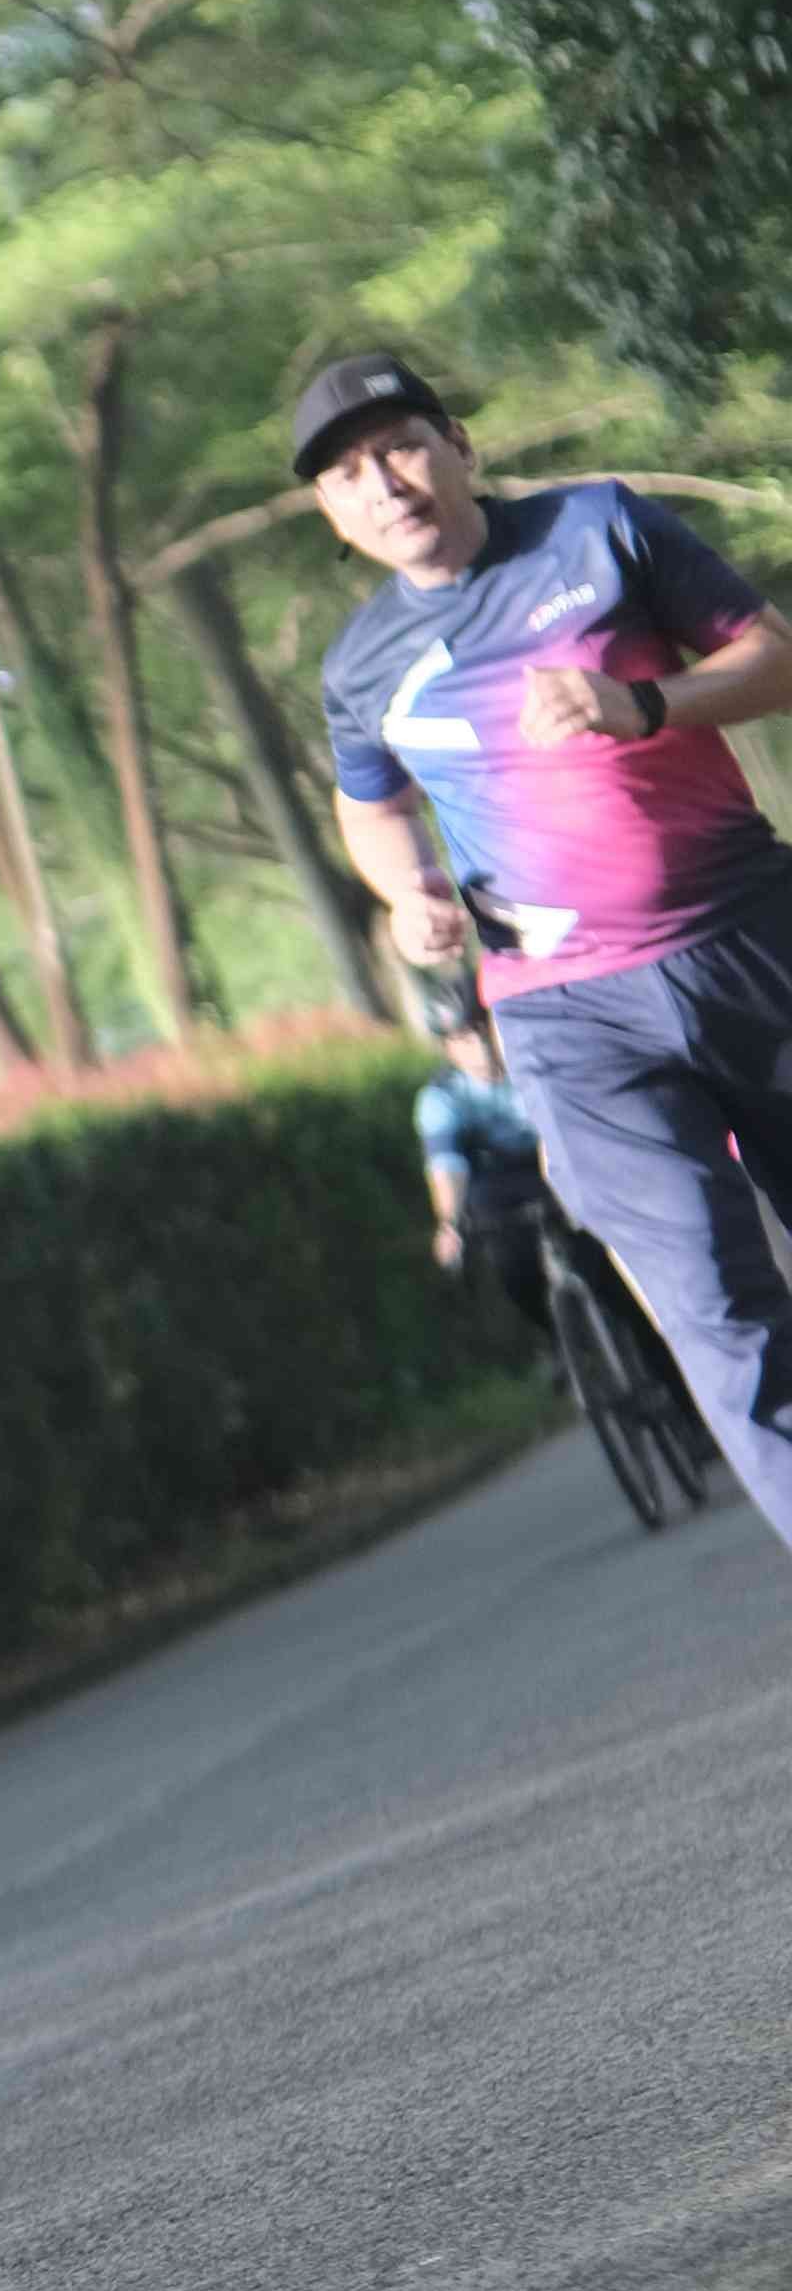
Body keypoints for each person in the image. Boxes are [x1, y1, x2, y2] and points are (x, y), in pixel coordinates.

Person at [298, 345, 792, 1555]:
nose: (383, 484)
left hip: (748, 938)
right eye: (346, 474)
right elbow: (370, 809)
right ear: (328, 513)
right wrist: (403, 892)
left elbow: (770, 656)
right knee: (717, 1315)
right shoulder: (357, 667)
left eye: (400, 446)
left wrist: (645, 704)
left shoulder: (596, 530)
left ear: (457, 446)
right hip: (566, 1018)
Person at [409, 1002, 553, 1339]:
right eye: (464, 1038)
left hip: (554, 1164)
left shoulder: (537, 1063)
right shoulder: (441, 1098)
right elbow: (447, 1164)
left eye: (483, 1028)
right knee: (511, 1265)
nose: (481, 1046)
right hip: (500, 1186)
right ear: (447, 1048)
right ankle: (553, 1338)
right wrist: (449, 1222)